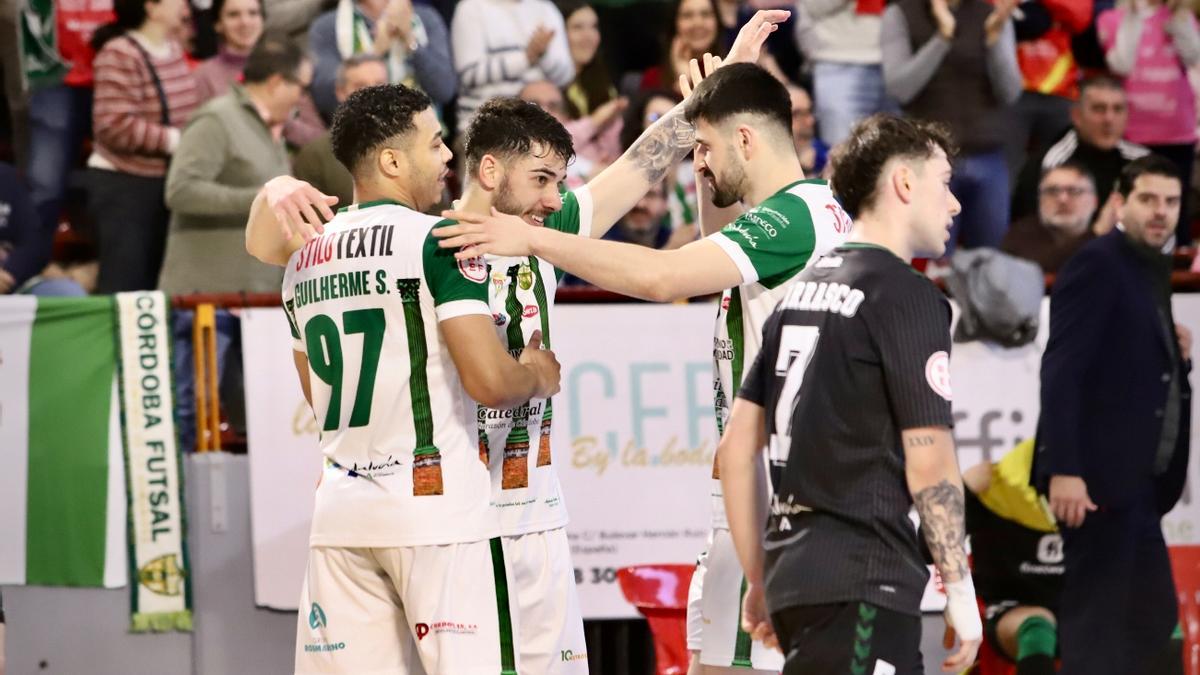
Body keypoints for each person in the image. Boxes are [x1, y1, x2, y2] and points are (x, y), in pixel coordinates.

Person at [433, 55, 848, 675]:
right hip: (459, 508)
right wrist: (698, 115)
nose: (556, 199)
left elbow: (661, 272)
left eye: (704, 148)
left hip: (773, 493)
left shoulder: (795, 215)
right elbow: (660, 187)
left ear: (743, 138)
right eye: (543, 180)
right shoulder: (433, 243)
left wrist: (535, 241)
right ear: (491, 170)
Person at [248, 83, 563, 674]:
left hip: (341, 518)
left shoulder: (302, 257)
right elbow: (491, 382)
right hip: (435, 513)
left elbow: (315, 396)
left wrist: (272, 190)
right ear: (392, 161)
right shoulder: (440, 242)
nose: (450, 157)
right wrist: (537, 374)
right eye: (437, 143)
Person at [715, 112, 981, 675]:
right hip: (862, 577)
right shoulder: (908, 296)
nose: (955, 204)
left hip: (795, 578)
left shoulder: (800, 291)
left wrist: (761, 577)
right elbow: (930, 464)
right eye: (945, 183)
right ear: (904, 184)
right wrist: (959, 589)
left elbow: (736, 450)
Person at [1034, 154, 1192, 675]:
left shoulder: (1149, 265)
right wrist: (1065, 468)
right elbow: (1062, 369)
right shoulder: (1098, 262)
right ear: (1121, 202)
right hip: (1098, 484)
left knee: (1151, 622)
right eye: (1148, 199)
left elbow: (1128, 362)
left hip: (1137, 487)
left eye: (1171, 201)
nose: (1161, 212)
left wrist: (1174, 354)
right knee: (1099, 629)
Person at [882, 0, 1022, 251]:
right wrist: (942, 38)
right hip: (928, 158)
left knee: (992, 262)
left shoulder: (992, 13)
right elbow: (900, 89)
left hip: (986, 153)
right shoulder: (900, 13)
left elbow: (1010, 92)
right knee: (932, 256)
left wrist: (993, 40)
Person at [88, 0, 201, 293]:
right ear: (152, 8)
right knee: (125, 285)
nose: (185, 7)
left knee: (156, 285)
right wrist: (176, 141)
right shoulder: (119, 53)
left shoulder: (174, 48)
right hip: (123, 187)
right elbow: (113, 125)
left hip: (163, 183)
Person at [962, 441, 1062, 675]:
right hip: (1013, 610)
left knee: (1155, 624)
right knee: (1037, 627)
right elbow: (927, 546)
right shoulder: (995, 491)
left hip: (1085, 608)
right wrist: (963, 491)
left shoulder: (1104, 495)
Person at [1011, 76, 1149, 222]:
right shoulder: (1050, 163)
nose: (1109, 119)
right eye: (1099, 109)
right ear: (1076, 116)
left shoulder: (1143, 162)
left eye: (1117, 109)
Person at [191, 0, 325, 147]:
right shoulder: (204, 75)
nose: (245, 22)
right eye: (233, 15)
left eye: (253, 13)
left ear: (263, 20)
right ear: (218, 24)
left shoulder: (286, 68)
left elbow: (318, 139)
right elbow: (196, 137)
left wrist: (281, 118)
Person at [309, 0, 455, 120]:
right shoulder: (327, 28)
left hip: (422, 130)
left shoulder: (425, 18)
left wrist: (410, 41)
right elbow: (326, 100)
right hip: (359, 136)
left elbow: (444, 90)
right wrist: (376, 51)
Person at [451, 0, 574, 134]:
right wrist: (526, 58)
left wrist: (543, 56)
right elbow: (469, 74)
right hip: (484, 131)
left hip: (542, 131)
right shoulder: (471, 8)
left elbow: (565, 77)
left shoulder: (547, 9)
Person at [293, 55, 390, 210]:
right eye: (360, 86)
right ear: (340, 91)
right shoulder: (314, 156)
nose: (372, 93)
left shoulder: (414, 139)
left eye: (380, 84)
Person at [1000, 162, 1099, 273]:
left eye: (1074, 191)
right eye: (1052, 191)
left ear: (1094, 202)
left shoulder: (1111, 241)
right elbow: (1039, 272)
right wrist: (1095, 233)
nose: (1062, 199)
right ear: (1039, 200)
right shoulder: (1019, 235)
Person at [640, 0, 726, 94]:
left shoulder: (734, 72)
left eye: (705, 14)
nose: (698, 23)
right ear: (675, 24)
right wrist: (683, 80)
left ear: (717, 22)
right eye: (687, 15)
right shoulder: (652, 78)